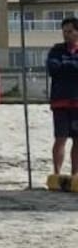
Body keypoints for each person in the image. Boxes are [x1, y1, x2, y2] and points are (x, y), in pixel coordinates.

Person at [47, 17, 78, 176]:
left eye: (70, 31)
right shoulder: (56, 50)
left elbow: (61, 67)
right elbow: (52, 68)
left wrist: (65, 64)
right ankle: (57, 173)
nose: (66, 35)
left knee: (77, 140)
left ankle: (75, 174)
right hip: (60, 102)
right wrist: (72, 65)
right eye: (64, 32)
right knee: (60, 138)